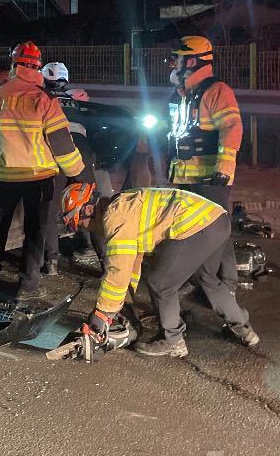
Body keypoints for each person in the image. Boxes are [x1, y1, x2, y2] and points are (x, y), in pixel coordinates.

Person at [62, 182, 260, 356]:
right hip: (216, 219)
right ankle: (244, 330)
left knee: (161, 283)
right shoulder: (123, 204)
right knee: (207, 279)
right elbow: (132, 262)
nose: (83, 229)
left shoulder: (115, 217)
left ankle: (173, 341)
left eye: (78, 223)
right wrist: (126, 301)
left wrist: (102, 315)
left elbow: (118, 270)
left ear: (88, 210)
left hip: (195, 225)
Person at [0, 40, 85, 295]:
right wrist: (76, 174)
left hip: (5, 175)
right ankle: (28, 285)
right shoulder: (45, 100)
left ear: (13, 64)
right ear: (38, 67)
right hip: (39, 177)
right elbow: (62, 143)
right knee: (35, 231)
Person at [166, 36, 242, 211]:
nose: (172, 64)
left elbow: (231, 128)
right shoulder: (184, 93)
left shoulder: (218, 91)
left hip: (210, 179)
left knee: (211, 229)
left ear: (191, 61)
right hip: (186, 178)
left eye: (176, 58)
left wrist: (223, 170)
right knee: (188, 229)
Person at [40, 60, 99, 272]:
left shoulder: (43, 100)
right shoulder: (73, 101)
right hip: (82, 157)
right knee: (89, 205)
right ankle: (93, 251)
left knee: (49, 208)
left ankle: (51, 261)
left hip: (56, 156)